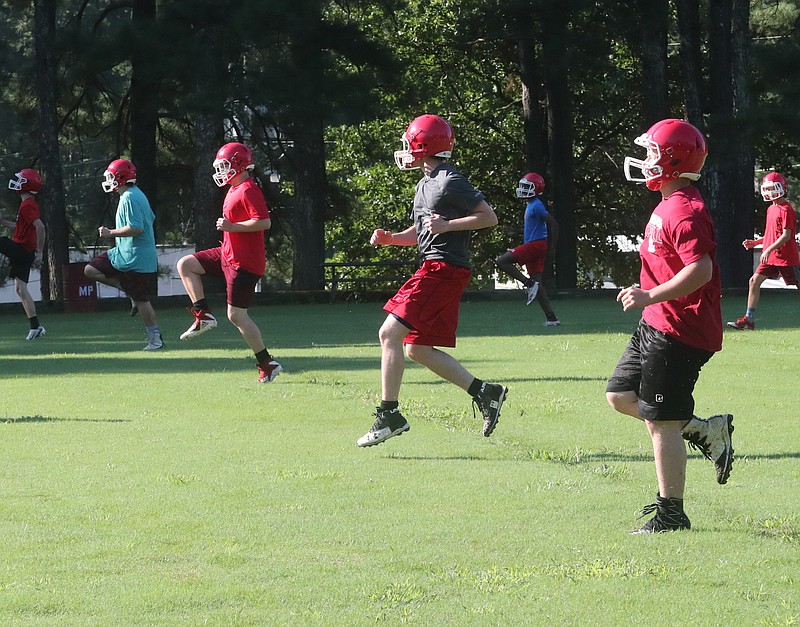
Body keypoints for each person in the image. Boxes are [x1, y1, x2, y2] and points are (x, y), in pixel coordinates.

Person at [606, 118, 734, 534]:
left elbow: (700, 270)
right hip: (656, 322)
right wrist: (647, 296)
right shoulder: (668, 202)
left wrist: (650, 295)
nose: (645, 161)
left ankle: (672, 513)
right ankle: (704, 430)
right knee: (620, 396)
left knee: (661, 422)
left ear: (673, 161)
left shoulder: (685, 210)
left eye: (652, 154)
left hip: (681, 330)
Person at [357, 114, 509, 448]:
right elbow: (422, 231)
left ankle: (389, 415)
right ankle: (486, 392)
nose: (407, 149)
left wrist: (448, 226)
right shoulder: (425, 182)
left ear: (423, 145)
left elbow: (488, 217)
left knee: (388, 333)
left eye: (410, 143)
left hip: (443, 269)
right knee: (417, 348)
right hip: (437, 266)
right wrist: (391, 238)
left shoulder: (449, 180)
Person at [176, 142, 282, 384]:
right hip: (227, 254)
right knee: (186, 264)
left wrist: (232, 227)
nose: (221, 171)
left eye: (225, 166)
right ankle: (203, 315)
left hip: (244, 262)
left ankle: (267, 363)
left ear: (238, 164)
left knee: (236, 316)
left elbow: (264, 222)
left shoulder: (247, 189)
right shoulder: (234, 188)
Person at [85, 159, 163, 351]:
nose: (109, 180)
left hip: (135, 256)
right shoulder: (134, 194)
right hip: (124, 252)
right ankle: (128, 292)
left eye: (112, 176)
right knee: (91, 269)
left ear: (120, 177)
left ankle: (156, 339)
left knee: (142, 299)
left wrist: (110, 233)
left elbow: (137, 227)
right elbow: (150, 219)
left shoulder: (129, 197)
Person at [727, 171, 800, 330]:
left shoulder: (786, 209)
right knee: (754, 281)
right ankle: (749, 319)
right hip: (771, 256)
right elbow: (771, 234)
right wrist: (757, 243)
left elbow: (786, 235)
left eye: (773, 188)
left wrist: (768, 249)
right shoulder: (770, 209)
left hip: (787, 257)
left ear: (782, 188)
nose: (769, 192)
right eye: (767, 189)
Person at [496, 171, 560, 325]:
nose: (522, 189)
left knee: (501, 261)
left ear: (535, 188)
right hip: (536, 244)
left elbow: (554, 224)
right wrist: (517, 231)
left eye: (526, 186)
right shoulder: (531, 205)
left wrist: (552, 247)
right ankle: (552, 318)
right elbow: (535, 227)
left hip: (536, 246)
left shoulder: (536, 205)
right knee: (538, 283)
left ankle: (529, 284)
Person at [1, 169, 46, 340]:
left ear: (27, 185)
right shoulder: (27, 204)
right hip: (24, 251)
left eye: (21, 180)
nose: (16, 182)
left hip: (22, 250)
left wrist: (40, 253)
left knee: (3, 241)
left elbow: (40, 227)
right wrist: (3, 222)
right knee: (20, 289)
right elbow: (20, 228)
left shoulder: (27, 205)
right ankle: (35, 327)